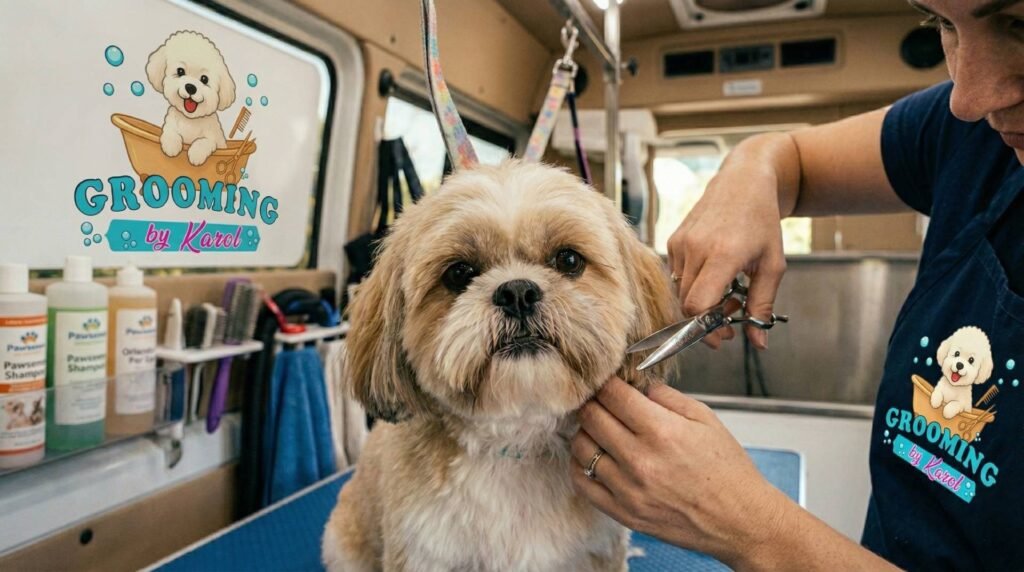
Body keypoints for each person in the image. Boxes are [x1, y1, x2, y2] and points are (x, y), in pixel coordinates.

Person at [569, 0, 1024, 569]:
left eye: (1020, 25)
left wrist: (748, 525)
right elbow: (793, 158)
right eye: (944, 26)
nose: (971, 98)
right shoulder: (969, 136)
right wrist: (753, 166)